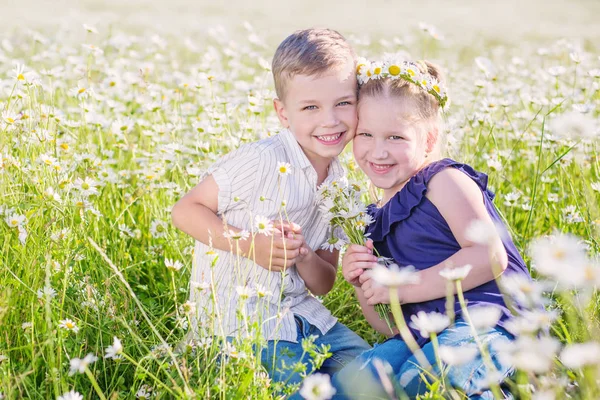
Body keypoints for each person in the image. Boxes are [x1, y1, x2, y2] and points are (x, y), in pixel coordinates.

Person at [171, 28, 370, 387]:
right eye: (311, 107)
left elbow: (324, 284)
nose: (331, 120)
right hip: (241, 322)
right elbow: (185, 210)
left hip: (308, 318)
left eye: (344, 103)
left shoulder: (341, 186)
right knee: (300, 386)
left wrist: (305, 255)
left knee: (373, 374)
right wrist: (251, 245)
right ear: (283, 112)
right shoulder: (262, 159)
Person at [331, 58, 531, 399]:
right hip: (419, 336)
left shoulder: (443, 181)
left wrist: (404, 288)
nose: (378, 150)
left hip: (488, 323)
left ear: (428, 139)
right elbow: (388, 324)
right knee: (353, 384)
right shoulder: (368, 220)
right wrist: (365, 287)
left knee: (428, 381)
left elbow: (489, 255)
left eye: (396, 136)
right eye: (365, 134)